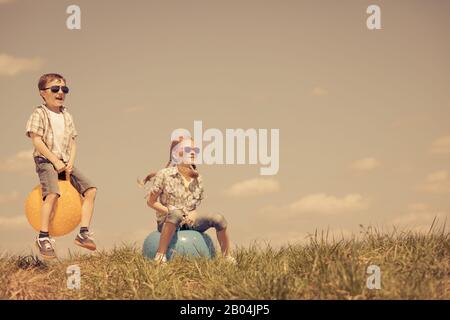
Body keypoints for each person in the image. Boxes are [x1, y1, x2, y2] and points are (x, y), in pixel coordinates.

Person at [25, 73, 97, 259]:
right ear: (42, 93)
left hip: (65, 162)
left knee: (91, 190)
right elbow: (37, 141)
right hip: (46, 160)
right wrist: (55, 161)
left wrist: (70, 162)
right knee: (52, 193)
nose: (60, 92)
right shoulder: (39, 113)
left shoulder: (67, 116)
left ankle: (83, 233)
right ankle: (43, 237)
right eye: (55, 89)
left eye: (64, 89)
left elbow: (73, 141)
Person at [141, 136, 236, 264]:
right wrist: (170, 211)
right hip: (168, 220)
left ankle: (226, 257)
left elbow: (193, 207)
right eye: (187, 149)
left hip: (188, 221)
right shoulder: (164, 174)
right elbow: (151, 202)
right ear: (177, 153)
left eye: (195, 150)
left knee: (218, 219)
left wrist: (192, 214)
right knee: (176, 213)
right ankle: (160, 255)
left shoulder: (198, 178)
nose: (192, 152)